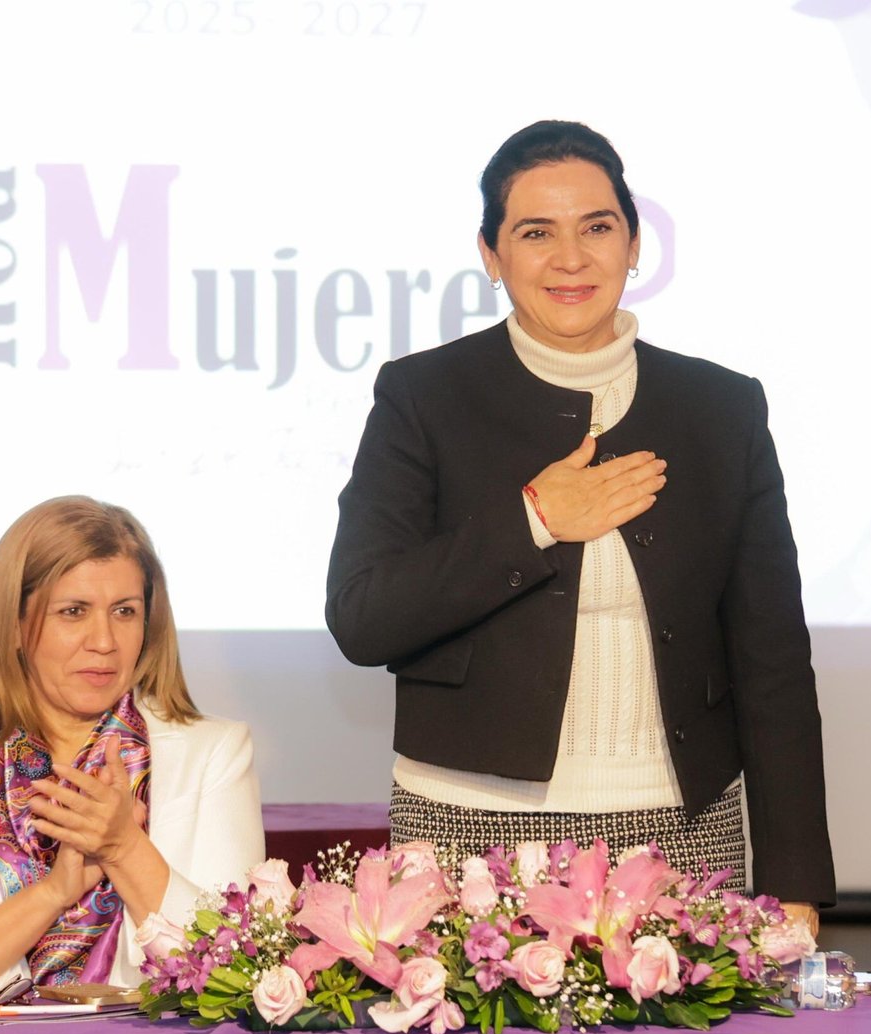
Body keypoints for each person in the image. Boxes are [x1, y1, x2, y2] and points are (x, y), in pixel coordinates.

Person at [325, 120, 835, 929]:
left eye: (597, 227)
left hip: (681, 826)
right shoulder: (424, 397)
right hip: (470, 826)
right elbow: (363, 615)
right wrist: (534, 518)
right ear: (491, 255)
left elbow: (772, 658)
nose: (572, 258)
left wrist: (794, 882)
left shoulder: (721, 408)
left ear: (634, 245)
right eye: (536, 233)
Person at [0, 497, 264, 995]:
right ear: (13, 626)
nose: (104, 641)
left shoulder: (214, 753)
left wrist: (124, 849)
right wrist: (53, 893)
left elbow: (245, 966)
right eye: (73, 612)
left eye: (125, 611)